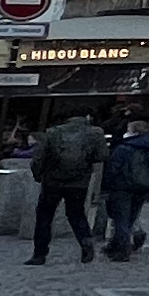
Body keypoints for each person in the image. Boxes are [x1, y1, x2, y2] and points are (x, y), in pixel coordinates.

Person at [26, 110, 106, 267]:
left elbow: (39, 157)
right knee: (76, 214)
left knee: (45, 216)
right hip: (79, 182)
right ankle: (85, 241)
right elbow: (101, 156)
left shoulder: (53, 133)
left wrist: (38, 175)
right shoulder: (95, 133)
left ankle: (39, 254)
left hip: (52, 181)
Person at [98, 113, 149, 263]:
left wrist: (106, 188)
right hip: (143, 187)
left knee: (120, 219)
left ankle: (122, 249)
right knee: (130, 217)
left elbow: (113, 169)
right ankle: (117, 244)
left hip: (122, 187)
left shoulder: (124, 148)